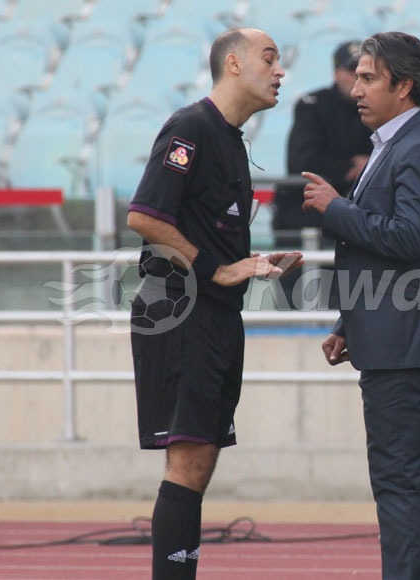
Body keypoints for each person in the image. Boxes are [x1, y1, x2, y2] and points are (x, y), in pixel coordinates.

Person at [126, 29, 302, 579]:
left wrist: (252, 264)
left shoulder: (231, 138)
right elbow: (146, 216)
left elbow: (206, 226)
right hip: (181, 311)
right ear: (233, 64)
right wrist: (216, 268)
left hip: (219, 314)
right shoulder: (192, 126)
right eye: (269, 59)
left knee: (200, 458)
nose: (280, 72)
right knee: (189, 457)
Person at [301, 32, 420, 579]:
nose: (356, 88)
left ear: (405, 87)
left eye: (370, 77)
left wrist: (335, 208)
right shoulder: (399, 143)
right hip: (396, 336)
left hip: (405, 346)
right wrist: (349, 321)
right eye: (358, 76)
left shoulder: (419, 145)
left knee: (398, 483)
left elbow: (408, 237)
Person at [272, 40, 371, 308]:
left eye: (364, 73)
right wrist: (351, 166)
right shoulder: (313, 105)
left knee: (347, 307)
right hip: (305, 221)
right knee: (294, 306)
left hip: (351, 226)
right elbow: (301, 163)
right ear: (336, 72)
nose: (356, 79)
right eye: (351, 71)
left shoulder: (377, 109)